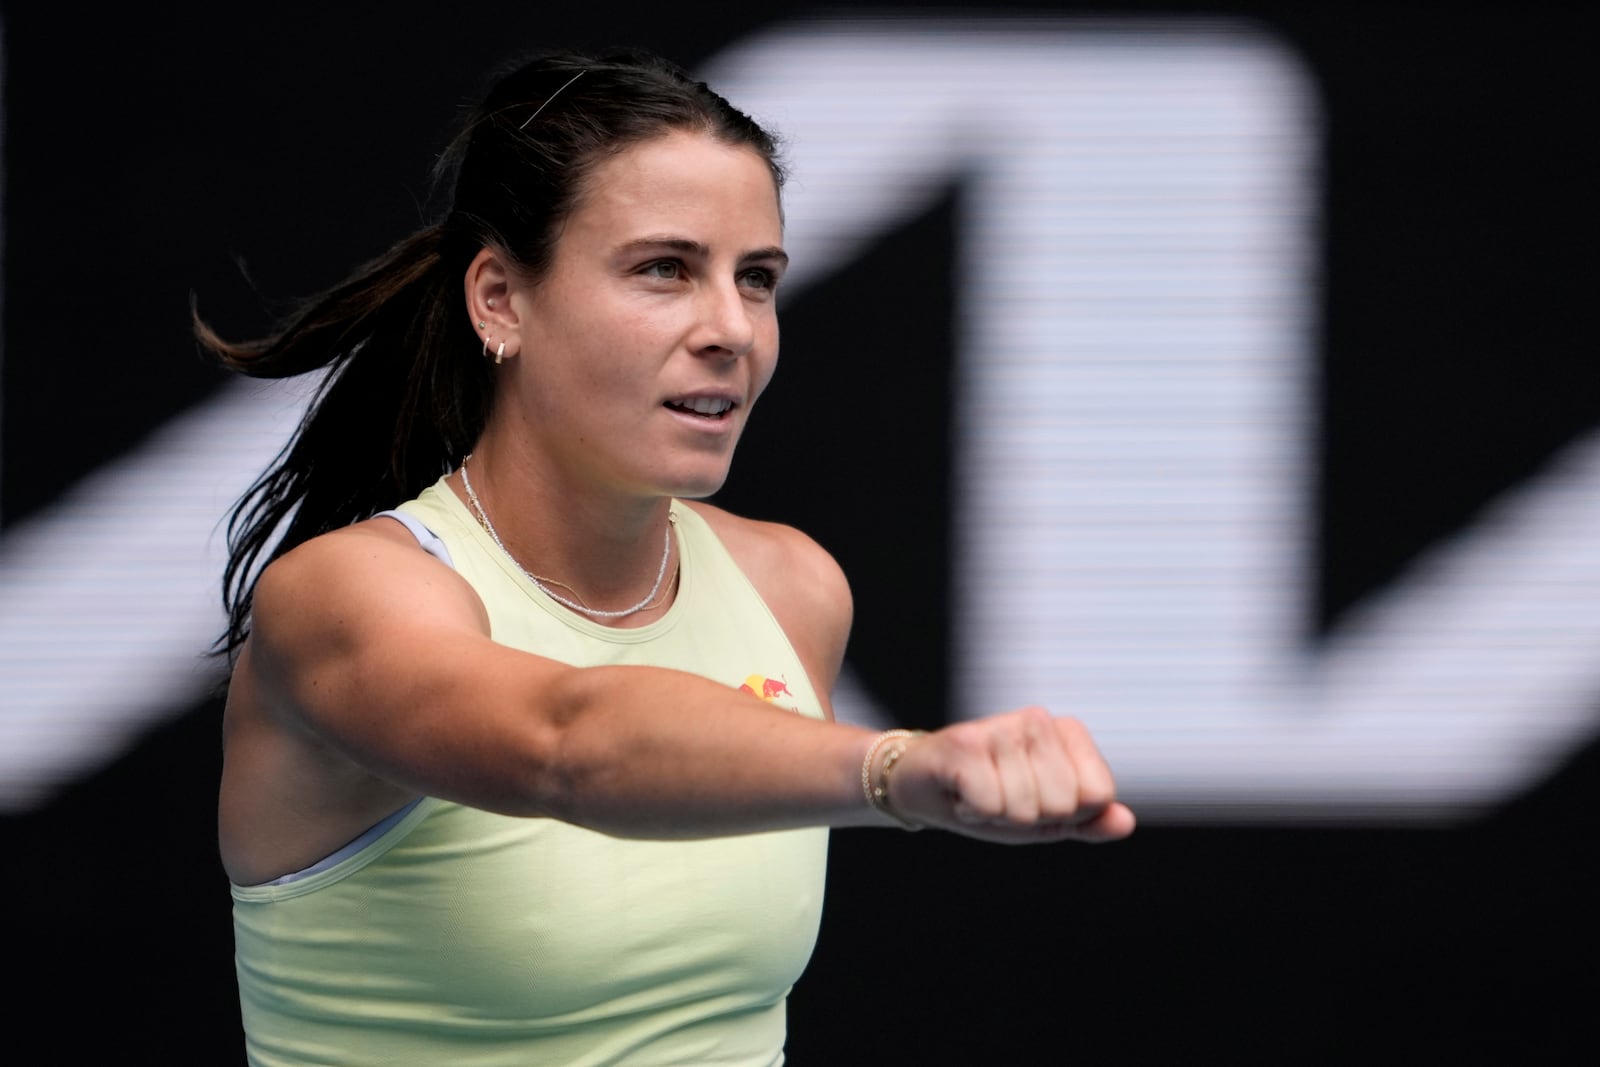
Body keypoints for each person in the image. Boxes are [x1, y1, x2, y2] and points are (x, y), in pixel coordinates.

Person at [195, 44, 1136, 1067]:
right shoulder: (344, 594)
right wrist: (895, 768)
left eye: (758, 279)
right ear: (499, 300)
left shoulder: (792, 587)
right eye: (663, 269)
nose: (731, 329)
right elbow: (567, 739)